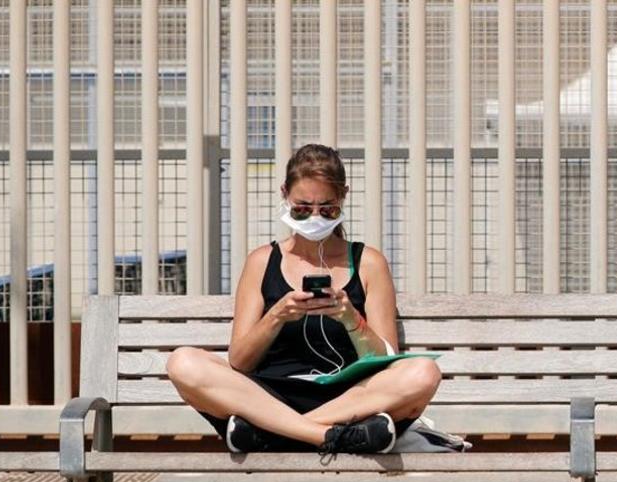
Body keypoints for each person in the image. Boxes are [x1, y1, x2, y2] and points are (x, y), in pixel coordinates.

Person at [166, 143, 442, 456]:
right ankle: (329, 436)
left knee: (423, 372)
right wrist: (277, 316)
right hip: (271, 394)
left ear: (343, 198)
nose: (314, 217)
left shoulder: (368, 262)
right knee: (183, 361)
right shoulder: (262, 261)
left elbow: (384, 362)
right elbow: (240, 361)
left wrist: (351, 319)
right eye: (302, 208)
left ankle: (273, 434)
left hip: (348, 397)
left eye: (327, 209)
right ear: (284, 194)